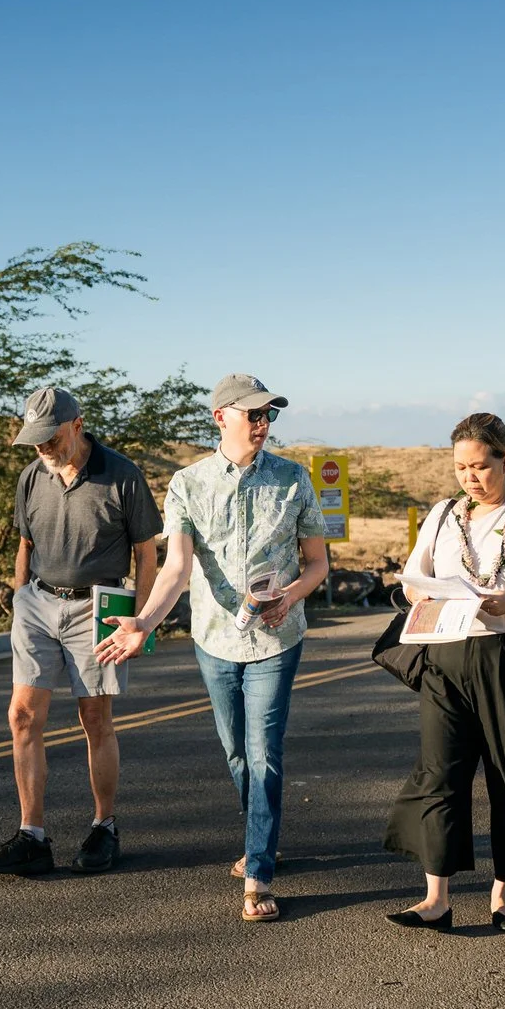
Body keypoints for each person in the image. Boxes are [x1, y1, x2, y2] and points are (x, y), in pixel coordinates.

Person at [99, 373, 330, 922]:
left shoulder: (294, 478)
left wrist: (292, 596)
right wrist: (144, 623)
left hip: (278, 637)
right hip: (215, 639)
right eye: (252, 414)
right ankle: (260, 835)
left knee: (264, 752)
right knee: (235, 751)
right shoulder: (187, 483)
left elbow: (318, 563)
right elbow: (176, 567)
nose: (262, 423)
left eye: (268, 414)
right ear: (220, 417)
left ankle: (258, 873)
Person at [384, 411, 505, 932]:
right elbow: (413, 580)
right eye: (460, 467)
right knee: (440, 772)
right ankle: (436, 899)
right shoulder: (444, 515)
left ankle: (503, 894)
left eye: (480, 466)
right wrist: (420, 592)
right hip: (446, 657)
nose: (470, 477)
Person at [0, 386, 163, 878]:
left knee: (94, 718)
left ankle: (104, 828)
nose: (43, 447)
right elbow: (25, 542)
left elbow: (147, 554)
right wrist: (20, 598)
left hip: (96, 608)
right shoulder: (31, 476)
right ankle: (32, 836)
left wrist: (139, 622)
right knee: (21, 717)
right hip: (37, 603)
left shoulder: (122, 474)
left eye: (51, 437)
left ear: (77, 424)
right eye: (34, 439)